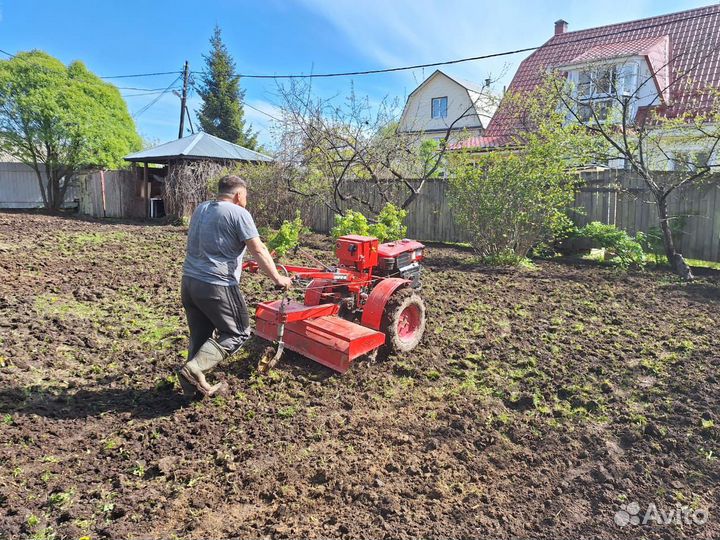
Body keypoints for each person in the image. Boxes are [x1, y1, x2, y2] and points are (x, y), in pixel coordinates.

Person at [177, 175, 293, 397]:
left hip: (189, 283)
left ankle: (193, 387)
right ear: (239, 195)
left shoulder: (201, 209)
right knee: (238, 332)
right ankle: (193, 369)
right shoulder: (239, 213)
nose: (246, 200)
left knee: (200, 336)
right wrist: (279, 279)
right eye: (246, 196)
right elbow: (258, 250)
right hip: (216, 285)